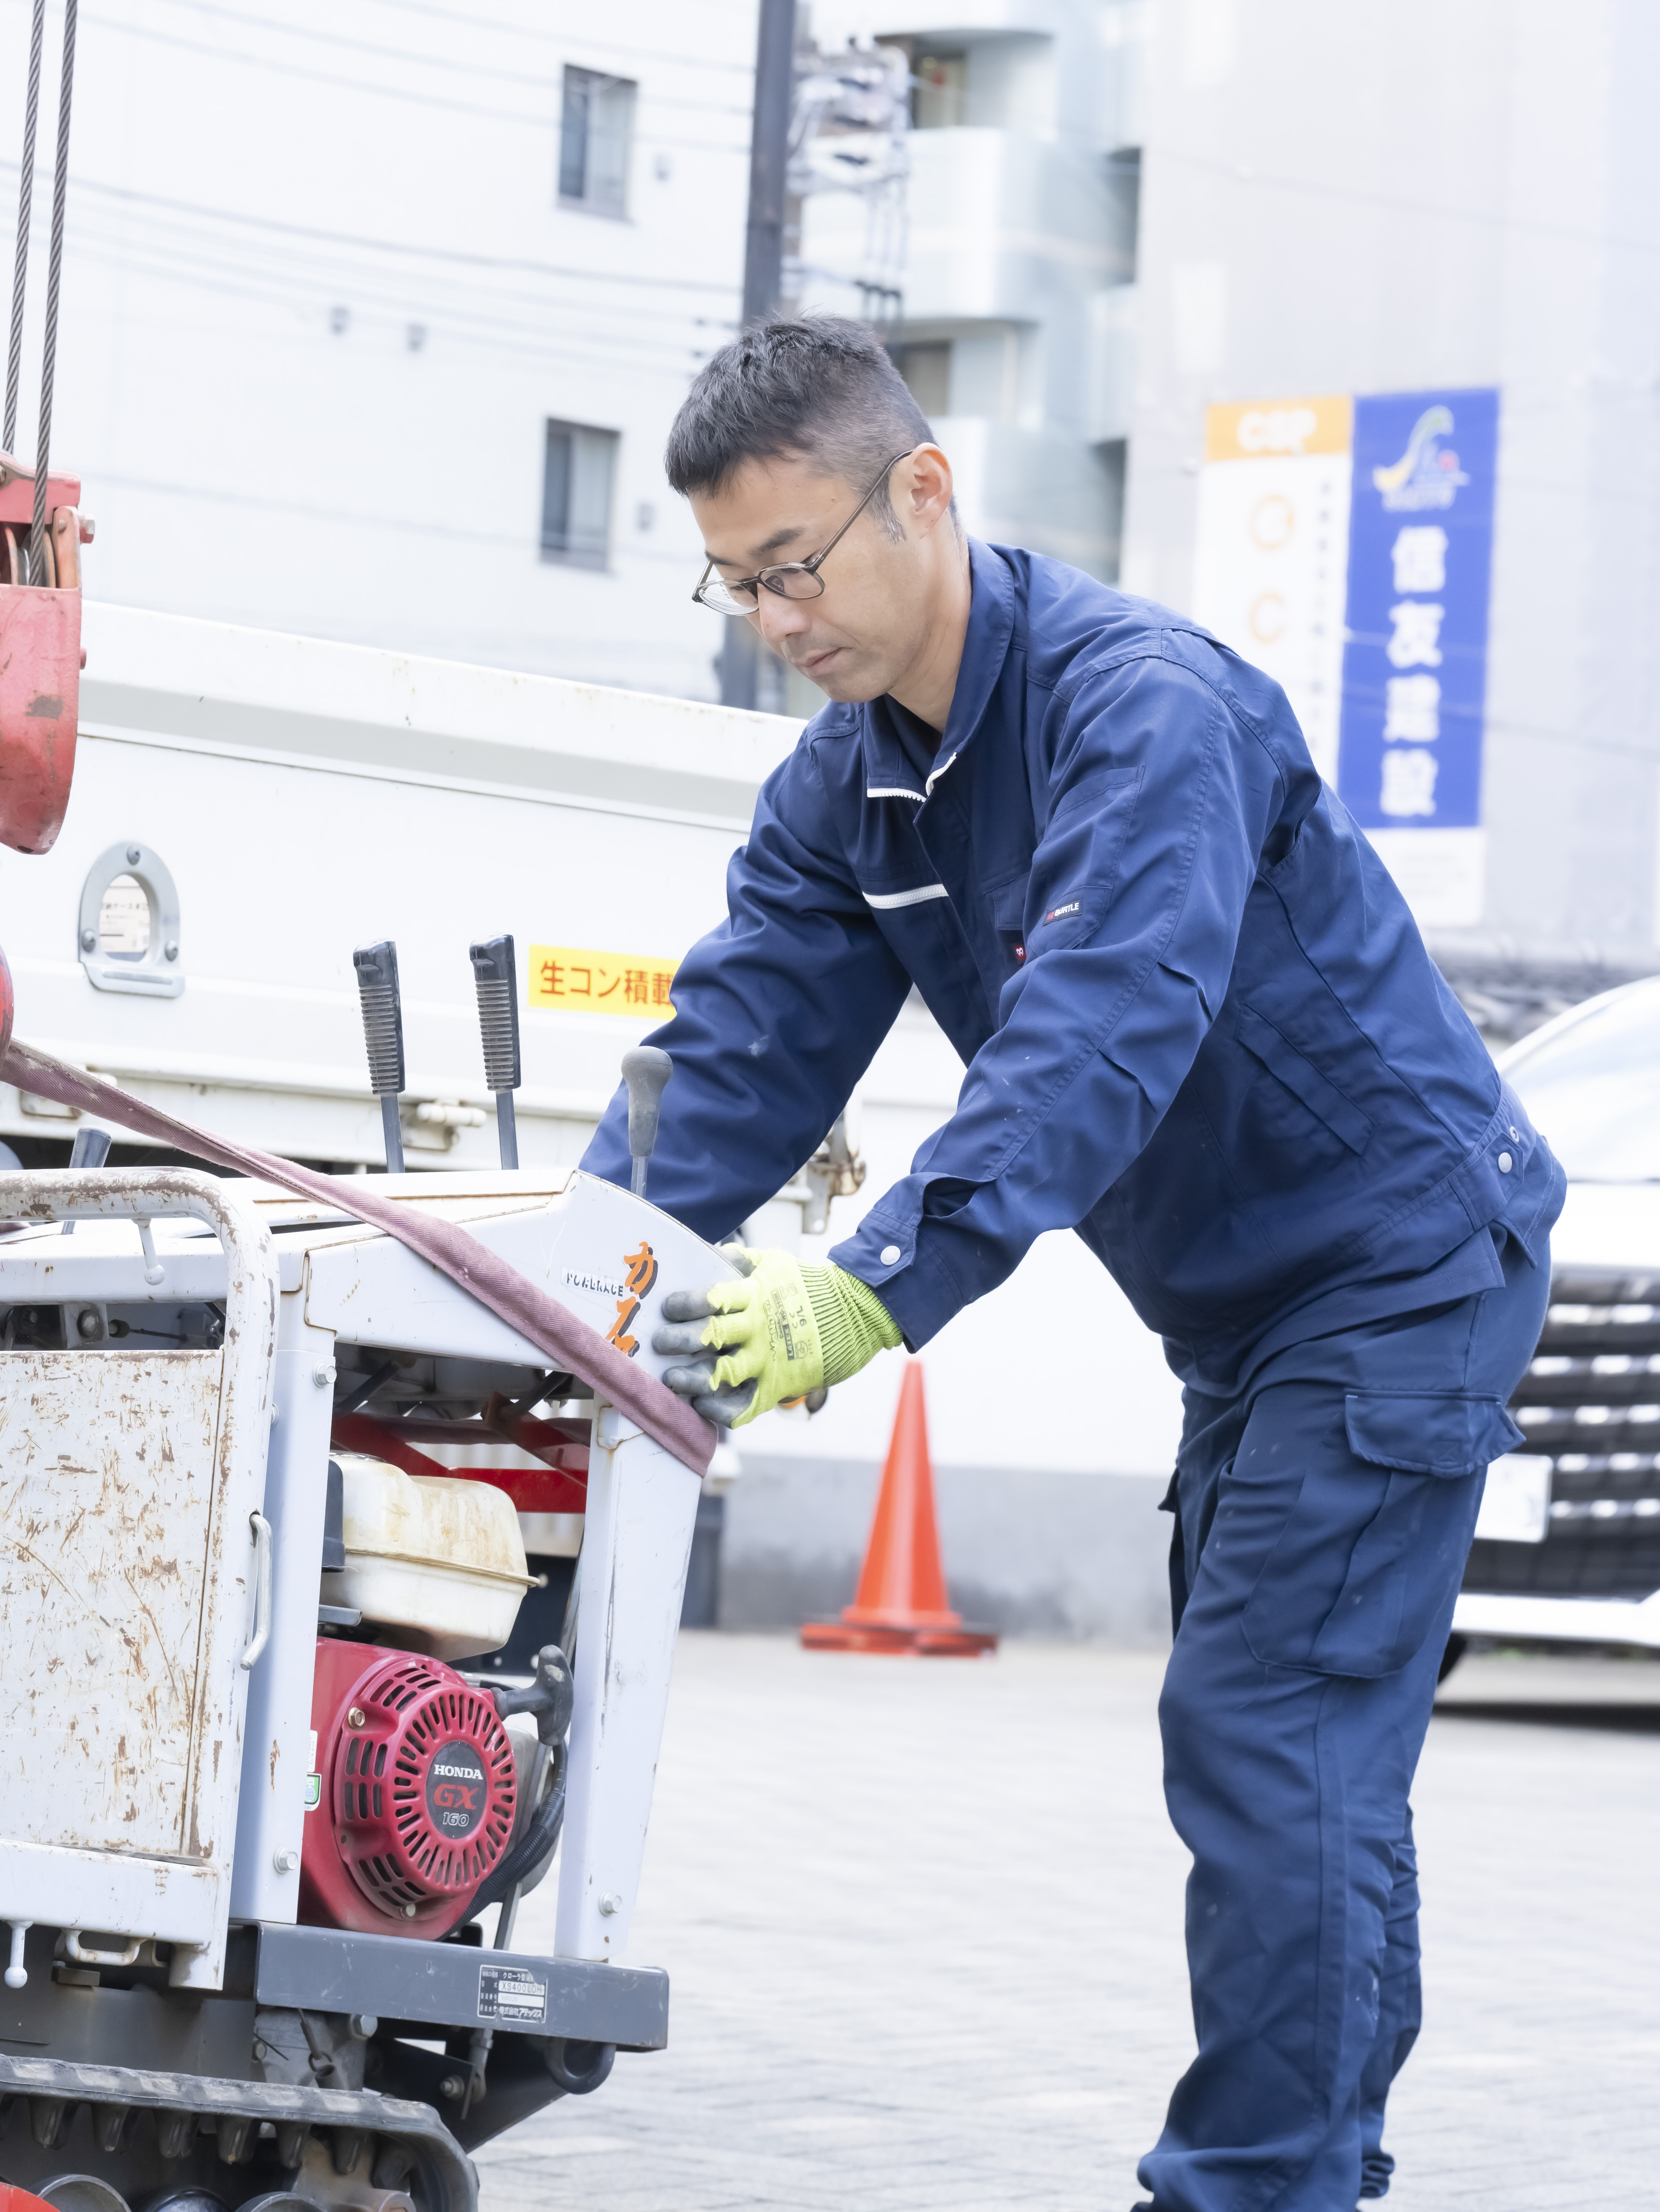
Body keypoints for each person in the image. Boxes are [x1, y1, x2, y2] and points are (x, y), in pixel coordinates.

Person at [585, 317, 1560, 2212]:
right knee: (1307, 1748)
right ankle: (1315, 2171)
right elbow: (733, 1068)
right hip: (1252, 1313)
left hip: (1401, 1266)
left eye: (798, 566)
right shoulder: (847, 789)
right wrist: (557, 1270)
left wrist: (875, 1280)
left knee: (1268, 1727)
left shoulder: (1146, 707)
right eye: (737, 585)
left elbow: (1103, 1027)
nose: (778, 618)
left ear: (924, 491)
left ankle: (1259, 2187)